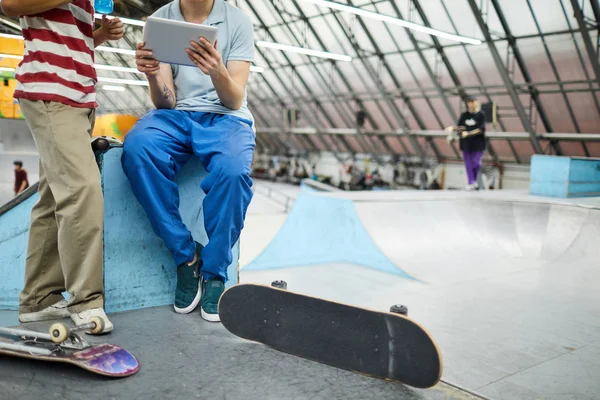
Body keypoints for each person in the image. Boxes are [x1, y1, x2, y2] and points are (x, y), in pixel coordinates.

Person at [122, 0, 255, 322]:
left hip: (226, 116)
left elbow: (234, 98)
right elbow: (164, 101)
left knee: (234, 171)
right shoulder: (159, 21)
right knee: (138, 148)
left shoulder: (237, 21)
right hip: (175, 115)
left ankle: (215, 270)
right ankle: (186, 255)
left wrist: (217, 71)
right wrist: (153, 75)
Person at [1, 0, 124, 331]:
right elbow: (10, 5)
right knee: (82, 190)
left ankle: (38, 298)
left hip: (78, 94)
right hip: (50, 89)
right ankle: (85, 300)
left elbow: (67, 37)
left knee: (53, 197)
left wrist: (98, 35)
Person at [446, 96, 486, 191]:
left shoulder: (481, 115)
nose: (471, 104)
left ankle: (473, 180)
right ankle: (471, 182)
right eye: (469, 102)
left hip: (478, 143)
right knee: (468, 163)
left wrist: (468, 133)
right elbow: (461, 127)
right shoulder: (464, 115)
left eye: (472, 102)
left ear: (476, 103)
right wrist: (453, 129)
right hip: (466, 144)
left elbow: (481, 129)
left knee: (476, 163)